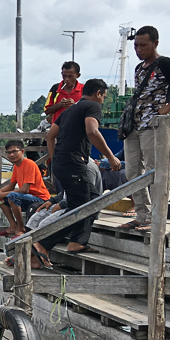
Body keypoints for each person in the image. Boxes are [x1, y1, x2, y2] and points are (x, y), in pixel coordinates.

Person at [122, 26, 170, 230]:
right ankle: (143, 215)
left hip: (152, 125)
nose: (139, 49)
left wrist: (169, 106)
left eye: (143, 45)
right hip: (133, 125)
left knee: (154, 171)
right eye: (136, 45)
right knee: (132, 172)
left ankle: (157, 218)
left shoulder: (166, 63)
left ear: (155, 43)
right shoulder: (139, 68)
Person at [46, 78, 122, 252]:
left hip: (61, 163)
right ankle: (44, 242)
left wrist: (54, 158)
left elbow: (50, 136)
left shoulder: (68, 110)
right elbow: (92, 131)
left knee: (93, 200)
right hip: (74, 163)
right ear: (98, 93)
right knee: (81, 206)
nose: (103, 100)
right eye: (103, 96)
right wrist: (111, 157)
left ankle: (77, 241)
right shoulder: (92, 106)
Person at [0, 140, 52, 237]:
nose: (11, 155)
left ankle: (21, 228)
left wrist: (3, 194)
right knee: (0, 197)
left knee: (12, 196)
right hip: (27, 197)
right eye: (9, 152)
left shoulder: (29, 164)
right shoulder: (16, 166)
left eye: (14, 151)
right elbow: (11, 186)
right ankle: (12, 226)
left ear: (22, 151)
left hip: (40, 199)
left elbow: (24, 189)